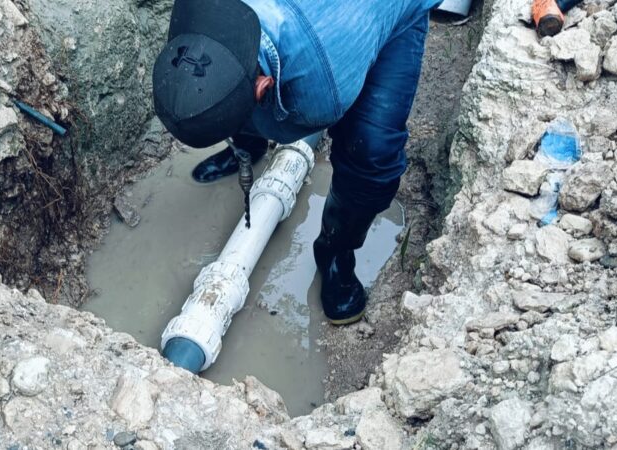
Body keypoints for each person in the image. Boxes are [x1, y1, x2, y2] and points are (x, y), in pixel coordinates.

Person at [153, 0, 441, 325]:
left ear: (264, 86)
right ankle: (247, 145)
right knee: (223, 87)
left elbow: (291, 124)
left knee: (371, 153)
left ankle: (336, 251)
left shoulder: (322, 92)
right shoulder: (197, 10)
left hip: (387, 11)